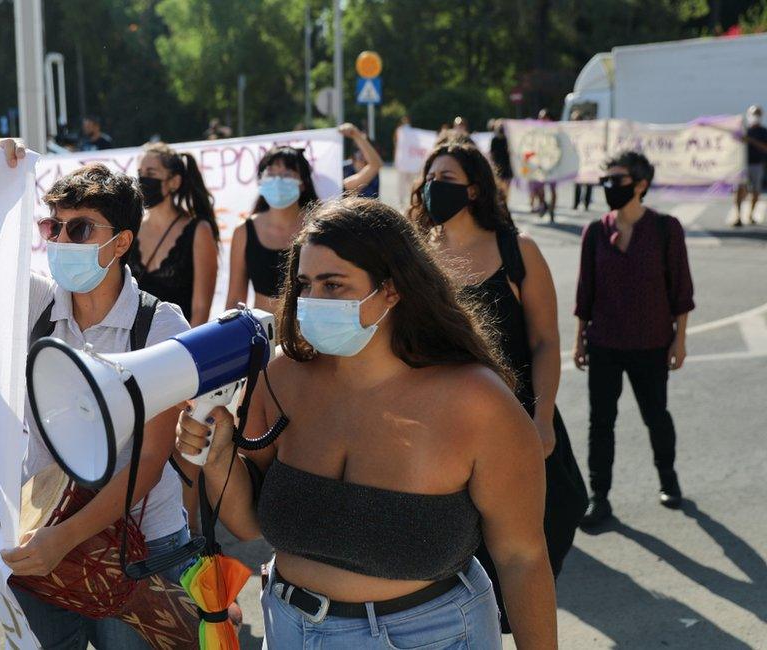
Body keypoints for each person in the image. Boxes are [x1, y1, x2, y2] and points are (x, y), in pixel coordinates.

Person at [178, 197, 558, 649]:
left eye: (334, 285)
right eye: (305, 284)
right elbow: (249, 525)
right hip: (289, 629)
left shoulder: (478, 402)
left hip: (430, 636)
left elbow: (522, 557)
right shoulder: (280, 378)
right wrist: (219, 457)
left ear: (392, 290)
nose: (312, 300)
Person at [0, 143, 194, 648]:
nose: (60, 239)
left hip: (140, 547)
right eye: (53, 227)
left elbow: (151, 460)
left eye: (79, 228)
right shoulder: (38, 303)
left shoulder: (161, 324)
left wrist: (63, 540)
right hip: (42, 537)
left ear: (122, 241)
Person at [409, 139, 587, 633]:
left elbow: (546, 342)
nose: (433, 189)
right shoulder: (417, 258)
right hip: (447, 428)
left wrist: (543, 416)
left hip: (518, 418)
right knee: (466, 549)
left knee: (542, 527)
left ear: (475, 189)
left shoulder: (517, 249)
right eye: (429, 178)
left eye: (446, 180)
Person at [574, 150, 695, 529]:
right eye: (606, 179)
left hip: (652, 342)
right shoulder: (595, 231)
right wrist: (580, 339)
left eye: (618, 179)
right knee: (601, 422)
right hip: (605, 342)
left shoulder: (666, 229)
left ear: (641, 185)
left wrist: (680, 340)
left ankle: (668, 478)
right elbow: (585, 292)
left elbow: (681, 290)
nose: (609, 186)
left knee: (655, 414)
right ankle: (600, 497)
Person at [129, 142, 219, 326]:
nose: (143, 180)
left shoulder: (198, 230)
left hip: (179, 345)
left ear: (174, 182)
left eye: (151, 173)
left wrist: (185, 352)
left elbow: (201, 309)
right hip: (134, 347)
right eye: (140, 173)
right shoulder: (132, 226)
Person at [225, 145, 319, 312]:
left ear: (303, 183)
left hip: (313, 334)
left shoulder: (320, 225)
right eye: (271, 173)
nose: (278, 181)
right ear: (261, 180)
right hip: (263, 335)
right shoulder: (244, 231)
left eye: (287, 174)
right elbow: (234, 301)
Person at [732, 105, 767, 227]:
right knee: (739, 191)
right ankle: (738, 216)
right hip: (742, 166)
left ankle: (751, 215)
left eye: (758, 114)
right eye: (754, 114)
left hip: (756, 165)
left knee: (756, 191)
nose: (755, 116)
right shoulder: (744, 130)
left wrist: (751, 140)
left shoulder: (763, 132)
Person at [340, 122, 383, 198]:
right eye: (358, 148)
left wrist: (356, 135)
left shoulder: (374, 172)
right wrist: (355, 135)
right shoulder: (344, 169)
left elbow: (376, 164)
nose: (361, 152)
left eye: (364, 148)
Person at [570, 110, 594, 212]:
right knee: (577, 183)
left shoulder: (587, 132)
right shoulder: (572, 132)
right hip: (577, 161)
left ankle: (586, 203)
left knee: (588, 182)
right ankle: (576, 203)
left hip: (587, 160)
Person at [489, 120, 514, 204]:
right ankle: (503, 200)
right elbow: (492, 153)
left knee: (507, 185)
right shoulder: (494, 140)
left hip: (507, 166)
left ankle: (506, 201)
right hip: (498, 166)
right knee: (501, 185)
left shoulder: (508, 139)